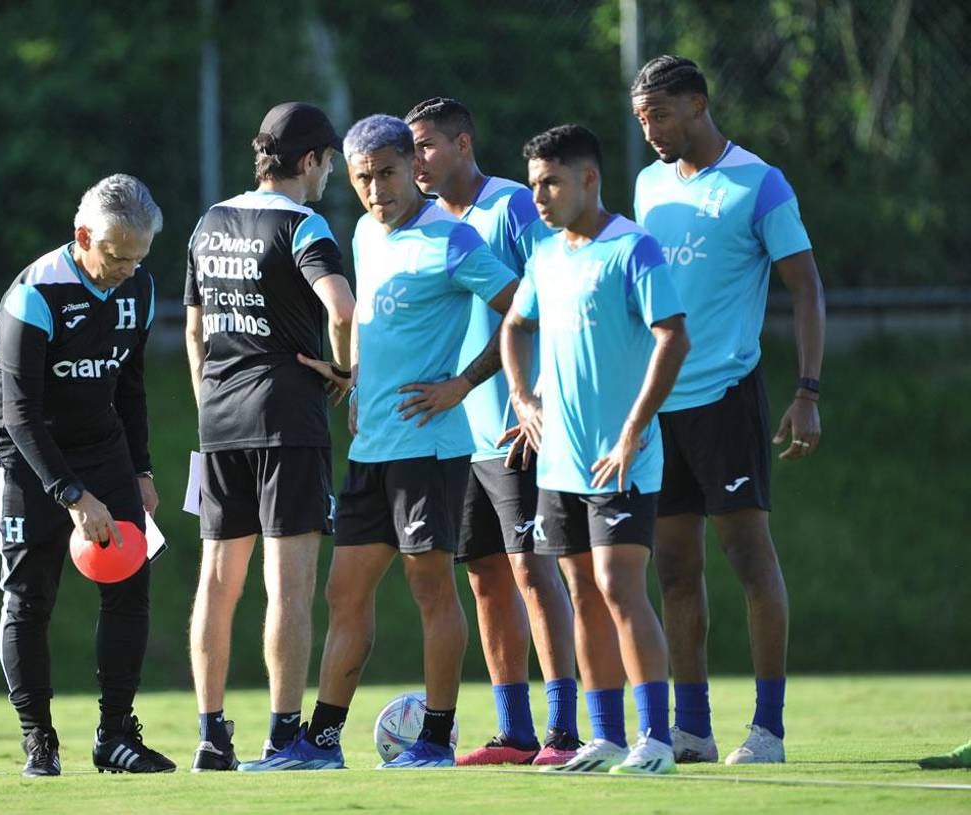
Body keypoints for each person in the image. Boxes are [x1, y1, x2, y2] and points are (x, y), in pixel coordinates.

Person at [240, 114, 519, 771]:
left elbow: (524, 309)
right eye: (362, 178)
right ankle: (322, 744)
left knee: (431, 590)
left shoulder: (453, 239)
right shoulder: (364, 232)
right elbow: (368, 324)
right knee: (344, 593)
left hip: (431, 450)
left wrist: (463, 383)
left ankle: (435, 739)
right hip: (371, 451)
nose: (375, 190)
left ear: (412, 169)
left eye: (387, 174)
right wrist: (355, 382)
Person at [630, 55, 826, 765]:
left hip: (728, 400)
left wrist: (807, 392)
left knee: (749, 558)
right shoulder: (649, 186)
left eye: (660, 114)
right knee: (675, 567)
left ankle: (767, 729)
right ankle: (693, 729)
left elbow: (805, 287)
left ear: (699, 104)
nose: (650, 129)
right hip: (662, 408)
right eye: (641, 118)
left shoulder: (759, 183)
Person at [502, 125, 689, 775]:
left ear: (589, 179)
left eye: (550, 182)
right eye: (532, 185)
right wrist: (523, 399)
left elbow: (673, 337)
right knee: (581, 590)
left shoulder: (632, 247)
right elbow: (515, 326)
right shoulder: (546, 256)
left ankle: (655, 739)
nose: (540, 197)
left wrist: (636, 426)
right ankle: (605, 737)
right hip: (559, 463)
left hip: (623, 458)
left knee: (617, 585)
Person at [404, 96, 580, 766]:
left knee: (535, 571)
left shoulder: (508, 207)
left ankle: (564, 731)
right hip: (458, 437)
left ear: (463, 144)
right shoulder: (420, 222)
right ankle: (515, 730)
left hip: (518, 425)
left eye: (425, 145)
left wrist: (542, 399)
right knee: (484, 576)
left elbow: (549, 297)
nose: (416, 159)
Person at [0, 174, 174, 776]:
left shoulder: (138, 287)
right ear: (83, 235)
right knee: (29, 595)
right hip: (24, 448)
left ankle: (116, 735)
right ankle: (39, 738)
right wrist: (70, 495)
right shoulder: (34, 295)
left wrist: (139, 470)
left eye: (137, 258)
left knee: (130, 580)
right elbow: (20, 412)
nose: (125, 269)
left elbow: (133, 387)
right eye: (116, 256)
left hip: (100, 442)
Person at [184, 102, 355, 771]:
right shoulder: (303, 224)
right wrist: (343, 369)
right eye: (329, 164)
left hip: (218, 422)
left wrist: (211, 406)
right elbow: (342, 307)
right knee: (288, 585)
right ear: (309, 160)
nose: (330, 177)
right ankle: (286, 737)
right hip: (286, 419)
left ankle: (209, 732)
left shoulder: (208, 222)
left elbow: (196, 332)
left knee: (216, 581)